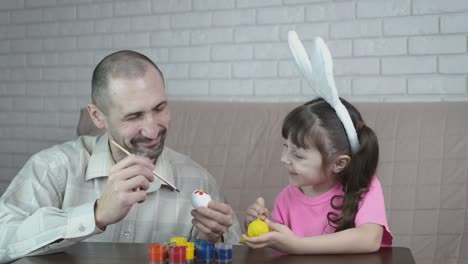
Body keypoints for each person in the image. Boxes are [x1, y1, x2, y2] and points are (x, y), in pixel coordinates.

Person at [0, 50, 241, 263]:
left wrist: (211, 239)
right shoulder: (52, 168)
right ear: (97, 116)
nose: (152, 130)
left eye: (159, 108)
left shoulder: (199, 180)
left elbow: (235, 250)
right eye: (134, 116)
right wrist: (96, 214)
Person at [243, 97, 393, 254]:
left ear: (338, 163)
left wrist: (298, 245)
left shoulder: (364, 187)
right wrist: (257, 227)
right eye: (286, 147)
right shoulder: (286, 198)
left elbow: (369, 239)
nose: (284, 159)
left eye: (298, 155)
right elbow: (279, 247)